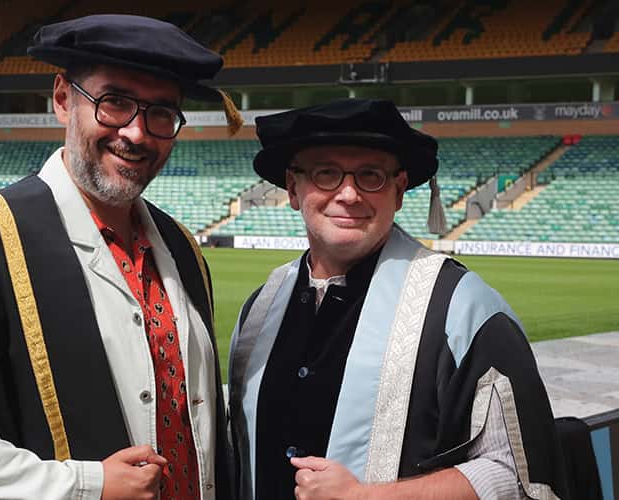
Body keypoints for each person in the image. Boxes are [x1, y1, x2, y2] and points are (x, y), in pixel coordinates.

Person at [0, 14, 241, 500]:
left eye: (161, 112)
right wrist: (85, 485)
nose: (137, 134)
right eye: (115, 102)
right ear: (63, 99)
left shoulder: (182, 249)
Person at [228, 99, 569, 499]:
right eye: (326, 174)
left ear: (400, 190)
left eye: (371, 176)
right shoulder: (261, 309)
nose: (349, 194)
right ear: (292, 188)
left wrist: (366, 496)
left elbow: (520, 474)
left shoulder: (461, 307)